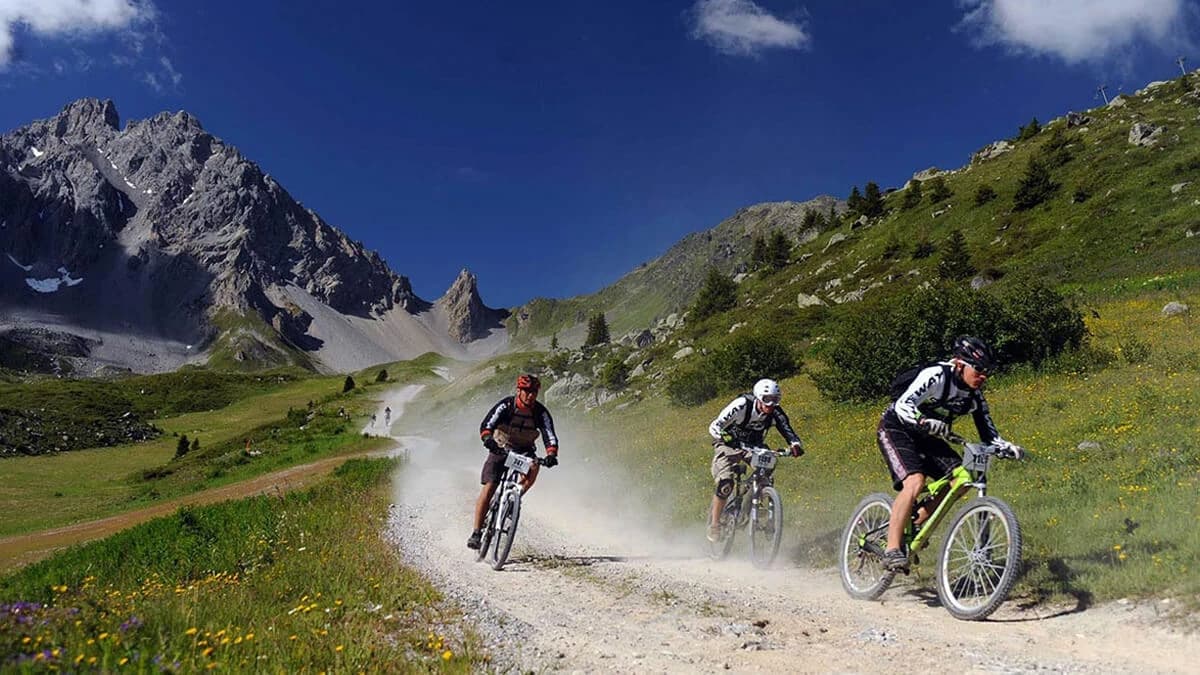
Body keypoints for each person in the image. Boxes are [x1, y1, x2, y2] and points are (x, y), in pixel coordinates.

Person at [876, 336, 1024, 572]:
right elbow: (904, 404)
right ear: (959, 364)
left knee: (962, 479)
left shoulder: (974, 397)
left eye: (987, 371)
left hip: (927, 436)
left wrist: (1005, 446)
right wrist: (923, 420)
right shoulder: (937, 375)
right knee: (915, 481)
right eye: (979, 369)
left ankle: (916, 523)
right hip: (897, 428)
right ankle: (892, 549)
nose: (983, 376)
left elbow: (989, 433)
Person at [467, 374, 559, 550]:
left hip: (524, 451)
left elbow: (549, 434)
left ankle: (515, 497)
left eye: (534, 392)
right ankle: (476, 532)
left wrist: (551, 454)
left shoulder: (540, 412)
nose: (530, 395)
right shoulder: (506, 405)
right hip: (501, 447)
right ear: (519, 391)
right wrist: (488, 439)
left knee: (534, 466)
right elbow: (487, 424)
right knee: (490, 486)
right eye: (526, 391)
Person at [707, 378, 805, 542]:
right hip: (729, 445)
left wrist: (795, 445)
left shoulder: (775, 412)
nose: (771, 404)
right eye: (767, 399)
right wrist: (726, 437)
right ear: (759, 398)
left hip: (754, 447)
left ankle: (747, 509)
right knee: (726, 483)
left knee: (766, 471)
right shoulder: (742, 405)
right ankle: (715, 525)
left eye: (775, 400)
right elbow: (715, 426)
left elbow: (787, 429)